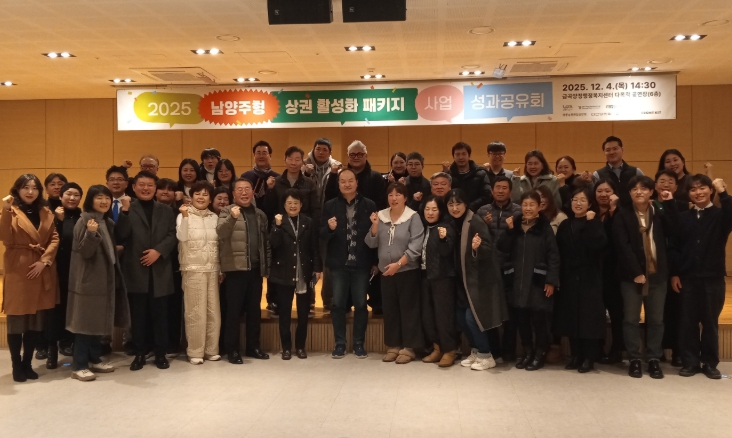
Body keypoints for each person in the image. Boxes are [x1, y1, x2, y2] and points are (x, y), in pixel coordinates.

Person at [665, 175, 732, 379]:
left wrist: (724, 192)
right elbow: (674, 246)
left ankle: (710, 363)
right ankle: (690, 362)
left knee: (710, 322)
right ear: (689, 194)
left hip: (713, 277)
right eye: (693, 189)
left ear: (710, 190)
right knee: (688, 322)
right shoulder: (684, 217)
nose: (698, 192)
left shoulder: (720, 215)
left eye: (702, 188)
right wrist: (675, 273)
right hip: (687, 277)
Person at [65, 185, 130, 382]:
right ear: (91, 200)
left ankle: (94, 358)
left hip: (104, 278)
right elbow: (84, 252)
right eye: (99, 197)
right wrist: (91, 234)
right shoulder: (84, 221)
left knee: (98, 321)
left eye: (107, 198)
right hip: (88, 281)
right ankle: (79, 365)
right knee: (84, 324)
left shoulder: (106, 221)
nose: (104, 201)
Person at [116, 171, 178, 371]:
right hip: (136, 269)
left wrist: (158, 251)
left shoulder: (166, 210)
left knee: (161, 315)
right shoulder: (127, 208)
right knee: (138, 316)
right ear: (133, 187)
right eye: (141, 185)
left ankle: (160, 354)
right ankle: (139, 353)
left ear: (155, 188)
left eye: (150, 185)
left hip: (160, 270)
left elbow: (173, 234)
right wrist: (125, 212)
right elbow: (121, 235)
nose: (146, 188)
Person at [1, 174, 59, 382]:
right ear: (17, 189)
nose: (30, 192)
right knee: (17, 320)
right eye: (25, 187)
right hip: (18, 270)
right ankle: (16, 365)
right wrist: (5, 210)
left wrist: (45, 261)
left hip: (40, 268)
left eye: (34, 188)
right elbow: (5, 237)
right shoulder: (11, 210)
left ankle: (27, 363)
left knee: (36, 320)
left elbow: (54, 238)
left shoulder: (45, 211)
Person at [613, 175, 670, 379]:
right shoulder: (622, 215)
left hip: (657, 275)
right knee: (631, 319)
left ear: (651, 191)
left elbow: (674, 234)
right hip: (632, 277)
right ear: (629, 193)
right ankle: (634, 358)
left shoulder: (659, 213)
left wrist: (668, 204)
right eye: (634, 189)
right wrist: (636, 272)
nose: (639, 192)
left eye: (644, 188)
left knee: (656, 320)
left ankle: (654, 358)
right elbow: (622, 246)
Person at [497, 190, 560, 371]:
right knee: (522, 320)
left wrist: (551, 280)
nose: (528, 208)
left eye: (532, 204)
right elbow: (502, 247)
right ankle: (528, 351)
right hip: (517, 280)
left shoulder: (544, 227)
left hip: (537, 281)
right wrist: (509, 231)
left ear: (539, 207)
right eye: (525, 204)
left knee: (539, 320)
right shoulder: (515, 226)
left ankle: (540, 353)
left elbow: (553, 256)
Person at [446, 189, 508, 371]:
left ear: (466, 204)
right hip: (463, 280)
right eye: (451, 204)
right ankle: (476, 350)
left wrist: (477, 248)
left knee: (473, 318)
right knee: (461, 317)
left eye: (458, 203)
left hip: (480, 280)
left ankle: (486, 355)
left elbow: (488, 250)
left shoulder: (475, 221)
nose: (455, 208)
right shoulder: (454, 223)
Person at [320, 169, 377, 359]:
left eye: (350, 180)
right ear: (338, 184)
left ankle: (359, 343)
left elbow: (375, 235)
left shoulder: (369, 205)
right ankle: (340, 344)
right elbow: (322, 235)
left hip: (361, 262)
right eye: (343, 181)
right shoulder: (330, 205)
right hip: (338, 263)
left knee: (361, 304)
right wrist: (329, 228)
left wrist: (374, 261)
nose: (346, 184)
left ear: (357, 182)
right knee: (338, 304)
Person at [366, 183, 424, 364]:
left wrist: (398, 264)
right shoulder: (381, 216)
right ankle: (393, 345)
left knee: (409, 309)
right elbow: (371, 243)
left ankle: (409, 347)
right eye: (390, 195)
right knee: (390, 310)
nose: (394, 198)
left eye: (398, 194)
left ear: (405, 198)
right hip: (386, 272)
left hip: (407, 270)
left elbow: (416, 246)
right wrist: (375, 226)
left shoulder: (413, 217)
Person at [217, 178, 271, 364]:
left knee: (255, 311)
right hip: (235, 269)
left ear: (252, 192)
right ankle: (232, 349)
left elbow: (265, 243)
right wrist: (232, 217)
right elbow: (221, 233)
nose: (244, 192)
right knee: (233, 311)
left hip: (255, 269)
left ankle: (253, 347)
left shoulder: (260, 214)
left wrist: (266, 267)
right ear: (233, 194)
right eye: (239, 189)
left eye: (247, 189)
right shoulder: (227, 211)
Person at [554, 187, 607, 373]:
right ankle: (576, 355)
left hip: (589, 277)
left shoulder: (595, 223)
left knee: (588, 318)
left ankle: (589, 357)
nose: (578, 203)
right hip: (569, 277)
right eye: (575, 200)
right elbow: (559, 252)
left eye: (583, 200)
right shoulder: (564, 225)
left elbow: (598, 245)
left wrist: (591, 223)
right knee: (571, 317)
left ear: (590, 204)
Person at [269, 190, 322, 360]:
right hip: (283, 272)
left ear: (301, 205)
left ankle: (300, 347)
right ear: (284, 205)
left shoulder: (308, 222)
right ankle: (286, 348)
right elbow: (274, 244)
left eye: (296, 203)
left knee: (303, 313)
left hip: (304, 272)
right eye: (289, 203)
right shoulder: (278, 221)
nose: (293, 206)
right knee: (284, 312)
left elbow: (314, 246)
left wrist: (317, 268)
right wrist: (277, 227)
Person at [176, 181, 221, 365]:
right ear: (191, 196)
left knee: (213, 312)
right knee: (195, 312)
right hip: (192, 269)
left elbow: (219, 245)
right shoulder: (183, 214)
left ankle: (211, 350)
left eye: (205, 194)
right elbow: (181, 237)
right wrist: (185, 217)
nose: (201, 197)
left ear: (210, 199)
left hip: (212, 268)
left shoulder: (214, 217)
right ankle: (195, 351)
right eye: (197, 194)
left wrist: (220, 268)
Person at [476, 175, 521, 361]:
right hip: (488, 267)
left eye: (504, 188)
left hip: (511, 267)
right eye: (497, 188)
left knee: (511, 311)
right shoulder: (482, 211)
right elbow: (477, 238)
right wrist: (485, 225)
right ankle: (495, 351)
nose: (500, 191)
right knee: (491, 310)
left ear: (510, 191)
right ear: (492, 190)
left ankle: (509, 351)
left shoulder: (518, 211)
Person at [45, 182, 83, 369]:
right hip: (56, 271)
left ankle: (69, 343)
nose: (72, 198)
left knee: (73, 309)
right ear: (60, 197)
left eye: (76, 195)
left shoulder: (83, 217)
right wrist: (58, 221)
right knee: (55, 311)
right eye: (68, 194)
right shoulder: (52, 216)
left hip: (77, 271)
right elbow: (48, 241)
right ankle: (51, 349)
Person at [419, 195, 458, 367]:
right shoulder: (422, 227)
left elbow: (447, 251)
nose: (430, 212)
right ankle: (437, 348)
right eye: (427, 209)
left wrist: (443, 239)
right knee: (428, 315)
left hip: (443, 277)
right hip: (424, 276)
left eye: (434, 209)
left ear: (440, 211)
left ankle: (450, 350)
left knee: (444, 316)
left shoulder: (446, 227)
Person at [302, 138, 341, 311]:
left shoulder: (337, 168)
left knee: (329, 262)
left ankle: (328, 299)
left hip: (328, 221)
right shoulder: (303, 167)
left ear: (330, 152)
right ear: (313, 150)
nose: (321, 152)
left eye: (325, 149)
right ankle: (309, 299)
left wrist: (335, 174)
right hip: (308, 220)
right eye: (318, 148)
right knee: (308, 260)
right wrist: (305, 173)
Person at [593, 178, 624, 364]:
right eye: (599, 191)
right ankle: (597, 347)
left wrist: (613, 211)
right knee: (596, 312)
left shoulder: (622, 213)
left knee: (616, 312)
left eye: (607, 191)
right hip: (594, 270)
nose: (603, 194)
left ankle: (617, 349)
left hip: (615, 270)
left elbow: (617, 238)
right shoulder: (590, 213)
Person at [155, 177, 185, 357]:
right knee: (156, 307)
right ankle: (154, 344)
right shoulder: (149, 210)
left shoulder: (179, 212)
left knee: (174, 307)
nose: (165, 192)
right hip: (153, 263)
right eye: (162, 188)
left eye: (170, 189)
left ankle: (173, 343)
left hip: (175, 265)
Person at [324, 140, 385, 209]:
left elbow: (381, 203)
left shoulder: (376, 177)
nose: (356, 157)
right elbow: (329, 197)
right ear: (348, 157)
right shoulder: (340, 176)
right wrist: (333, 175)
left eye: (360, 154)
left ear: (366, 156)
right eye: (352, 155)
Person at [265, 146, 320, 221]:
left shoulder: (310, 184)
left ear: (302, 163)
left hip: (304, 226)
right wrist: (270, 189)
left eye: (297, 160)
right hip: (281, 225)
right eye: (290, 159)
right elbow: (268, 208)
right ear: (285, 161)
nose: (293, 163)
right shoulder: (275, 182)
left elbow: (315, 210)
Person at [592, 136, 644, 206]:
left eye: (615, 149)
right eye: (608, 150)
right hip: (608, 211)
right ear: (604, 152)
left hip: (632, 211)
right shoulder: (597, 174)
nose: (612, 152)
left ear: (622, 149)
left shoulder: (636, 171)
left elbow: (645, 191)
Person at [442, 142, 492, 211]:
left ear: (469, 155)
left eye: (464, 154)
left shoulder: (481, 173)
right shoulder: (448, 175)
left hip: (475, 212)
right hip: (453, 212)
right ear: (453, 157)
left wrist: (468, 207)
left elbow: (486, 196)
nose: (461, 157)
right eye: (457, 154)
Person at [241, 140, 280, 222]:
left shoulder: (277, 178)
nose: (261, 156)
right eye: (258, 153)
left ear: (270, 156)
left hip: (271, 220)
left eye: (264, 153)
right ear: (254, 156)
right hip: (249, 219)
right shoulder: (245, 177)